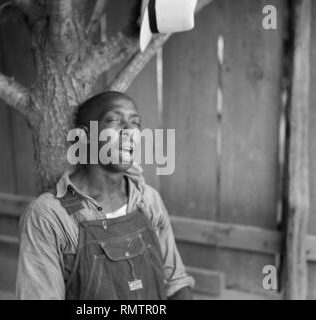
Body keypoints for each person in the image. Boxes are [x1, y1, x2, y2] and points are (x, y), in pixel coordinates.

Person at [16, 91, 194, 299]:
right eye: (114, 121)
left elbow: (175, 282)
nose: (129, 131)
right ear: (84, 136)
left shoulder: (147, 200)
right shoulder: (50, 216)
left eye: (135, 124)